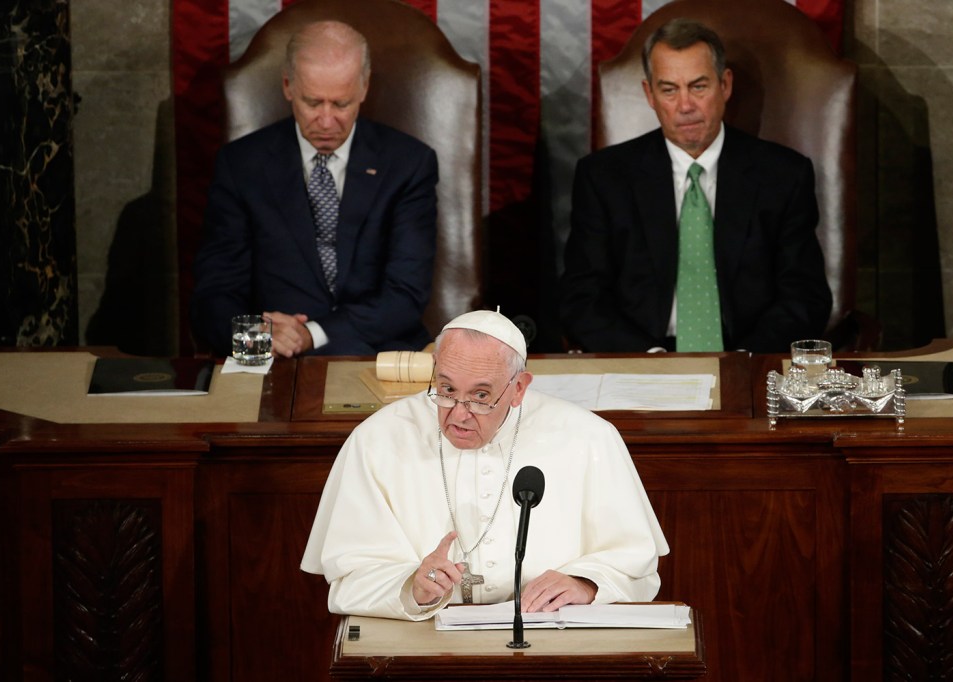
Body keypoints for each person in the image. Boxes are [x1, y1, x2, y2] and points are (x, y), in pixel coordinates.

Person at [301, 309, 668, 620]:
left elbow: (635, 564)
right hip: (426, 646)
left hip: (548, 639)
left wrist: (585, 583)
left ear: (519, 388)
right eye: (446, 390)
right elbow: (349, 577)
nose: (459, 414)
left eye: (481, 396)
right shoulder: (378, 439)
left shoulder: (588, 437)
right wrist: (412, 586)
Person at [559, 19, 831, 353]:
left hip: (748, 357)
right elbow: (582, 298)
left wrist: (744, 360)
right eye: (669, 89)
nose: (685, 106)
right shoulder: (603, 178)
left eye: (698, 86)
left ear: (725, 85)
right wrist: (649, 360)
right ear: (650, 94)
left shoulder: (784, 175)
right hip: (642, 358)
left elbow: (805, 295)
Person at [190, 21, 438, 357]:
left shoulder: (409, 164)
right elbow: (214, 293)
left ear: (363, 88)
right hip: (273, 358)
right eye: (312, 102)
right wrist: (258, 337)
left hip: (378, 353)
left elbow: (406, 294)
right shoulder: (241, 165)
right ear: (288, 86)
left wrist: (312, 334)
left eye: (340, 104)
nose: (325, 121)